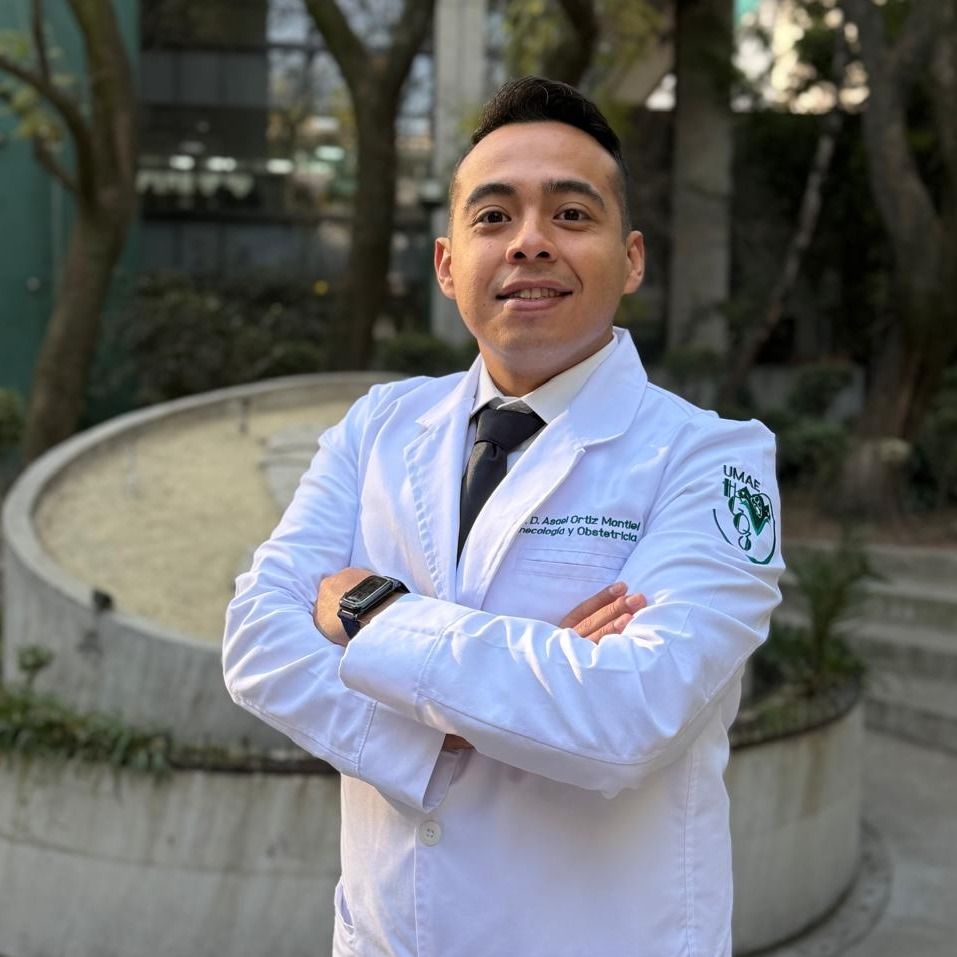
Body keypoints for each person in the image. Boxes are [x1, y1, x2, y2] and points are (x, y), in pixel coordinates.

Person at [223, 76, 784, 957]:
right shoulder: (378, 426)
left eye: (570, 214)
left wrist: (373, 613)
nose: (528, 240)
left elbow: (627, 712)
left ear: (631, 258)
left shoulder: (712, 460)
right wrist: (457, 731)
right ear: (448, 264)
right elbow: (257, 639)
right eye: (493, 217)